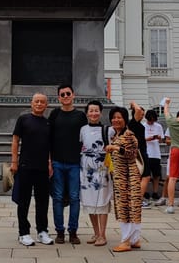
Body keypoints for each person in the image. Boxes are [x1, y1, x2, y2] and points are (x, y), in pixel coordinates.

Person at [11, 92, 54, 247]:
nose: (39, 104)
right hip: (25, 166)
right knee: (24, 201)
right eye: (36, 101)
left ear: (46, 105)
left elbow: (49, 146)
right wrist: (14, 161)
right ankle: (23, 233)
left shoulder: (48, 123)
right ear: (31, 103)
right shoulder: (23, 119)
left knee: (43, 201)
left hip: (42, 168)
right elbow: (15, 140)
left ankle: (42, 231)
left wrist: (50, 163)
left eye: (42, 102)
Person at [49, 83, 87, 244]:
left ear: (73, 95)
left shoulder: (80, 116)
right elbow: (48, 139)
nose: (65, 96)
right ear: (59, 97)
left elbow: (86, 137)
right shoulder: (54, 114)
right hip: (57, 162)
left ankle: (73, 231)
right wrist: (49, 161)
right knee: (57, 198)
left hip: (74, 163)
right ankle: (59, 231)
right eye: (62, 94)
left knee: (74, 198)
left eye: (68, 94)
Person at [104, 106, 142, 252]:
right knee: (132, 207)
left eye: (119, 117)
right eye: (113, 118)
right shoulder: (117, 136)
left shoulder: (129, 135)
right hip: (121, 177)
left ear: (125, 119)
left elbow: (132, 153)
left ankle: (126, 241)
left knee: (126, 207)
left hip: (128, 178)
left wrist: (115, 148)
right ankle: (135, 239)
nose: (116, 120)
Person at [79, 100, 112, 247]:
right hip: (87, 171)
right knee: (90, 202)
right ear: (87, 113)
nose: (93, 113)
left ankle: (103, 235)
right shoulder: (83, 130)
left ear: (100, 112)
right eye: (91, 110)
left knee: (102, 201)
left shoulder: (108, 130)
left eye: (96, 110)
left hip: (102, 170)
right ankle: (96, 232)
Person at [127, 100, 150, 207]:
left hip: (141, 151)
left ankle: (135, 199)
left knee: (140, 177)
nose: (143, 115)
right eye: (142, 114)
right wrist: (133, 103)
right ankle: (138, 200)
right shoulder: (133, 123)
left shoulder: (136, 124)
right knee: (145, 176)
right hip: (139, 153)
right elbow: (138, 110)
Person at [144, 109, 164, 201]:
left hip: (156, 153)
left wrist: (158, 138)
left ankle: (155, 192)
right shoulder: (143, 126)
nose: (151, 122)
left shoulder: (158, 126)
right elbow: (141, 139)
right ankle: (145, 191)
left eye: (153, 120)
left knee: (156, 175)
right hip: (147, 152)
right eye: (150, 120)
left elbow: (161, 140)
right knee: (146, 175)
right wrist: (150, 138)